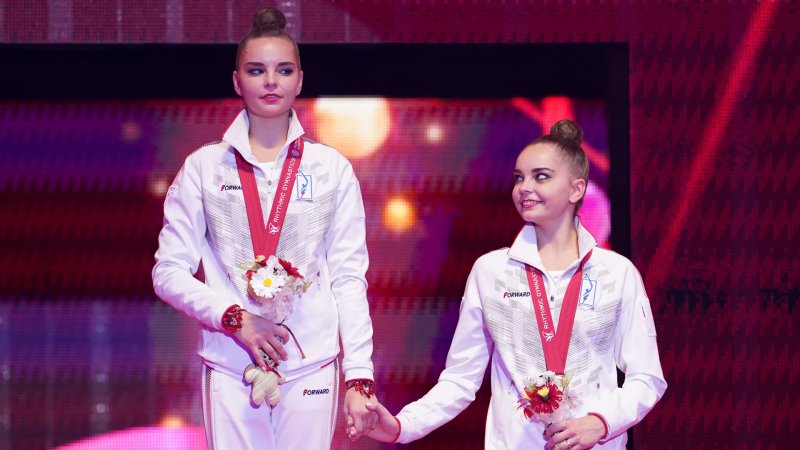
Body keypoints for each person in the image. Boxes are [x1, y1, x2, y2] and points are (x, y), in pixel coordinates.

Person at [352, 120, 667, 449]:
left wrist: (601, 423)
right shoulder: (491, 271)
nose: (524, 187)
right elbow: (460, 379)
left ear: (577, 189)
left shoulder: (616, 272)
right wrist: (402, 426)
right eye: (519, 177)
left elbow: (647, 379)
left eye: (540, 176)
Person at [152, 7, 377, 449]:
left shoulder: (331, 168)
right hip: (231, 363)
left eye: (283, 70)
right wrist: (235, 319)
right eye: (257, 71)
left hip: (312, 364)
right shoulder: (203, 167)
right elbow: (168, 272)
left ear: (300, 80)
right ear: (237, 81)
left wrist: (360, 377)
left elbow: (349, 279)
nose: (271, 81)